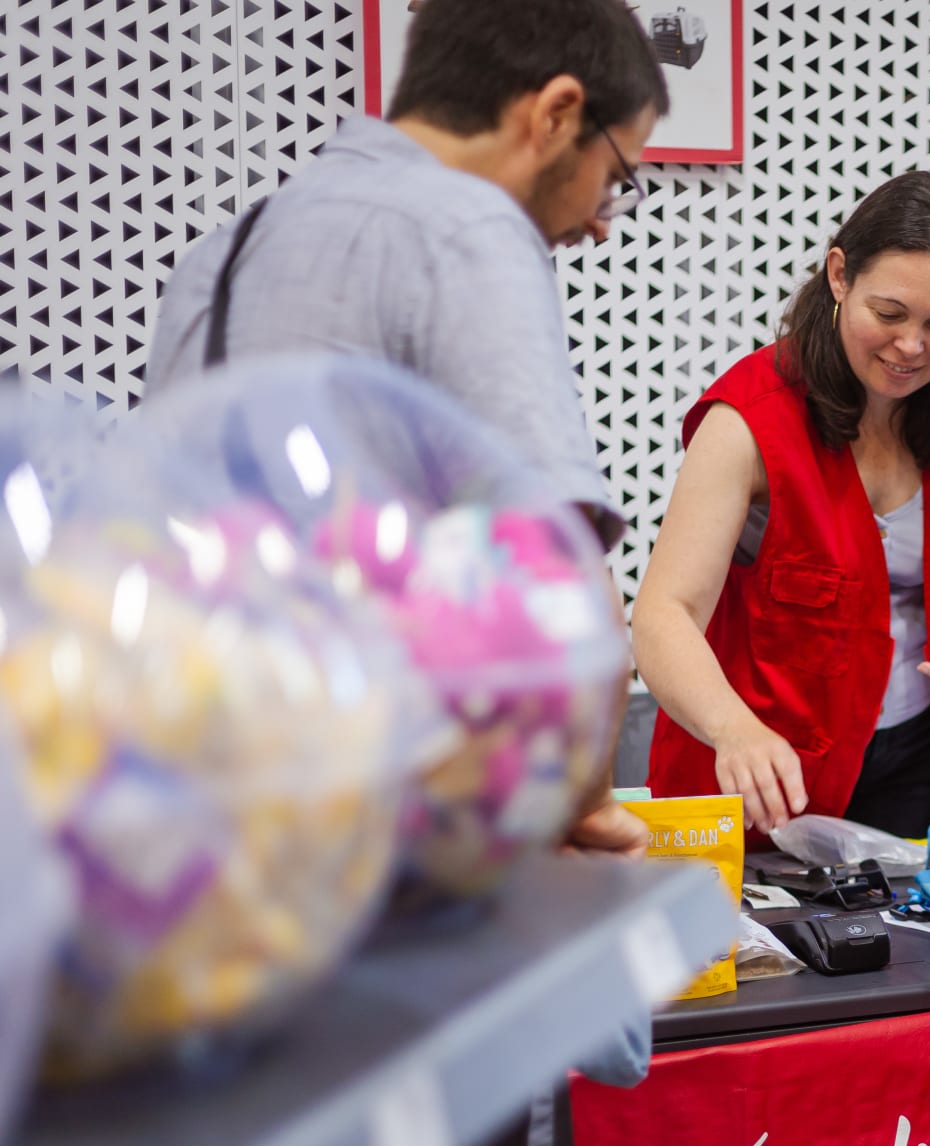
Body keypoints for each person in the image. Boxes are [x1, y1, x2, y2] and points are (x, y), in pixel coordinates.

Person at [146, 0, 668, 856]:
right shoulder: (470, 227)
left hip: (196, 803)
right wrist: (582, 804)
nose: (602, 220)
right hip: (377, 822)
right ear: (557, 112)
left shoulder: (228, 247)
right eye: (615, 176)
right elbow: (558, 567)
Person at [634, 172, 930, 839]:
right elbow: (663, 615)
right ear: (840, 276)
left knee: (902, 940)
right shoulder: (749, 421)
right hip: (760, 768)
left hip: (910, 755)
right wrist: (734, 729)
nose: (910, 347)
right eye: (890, 314)